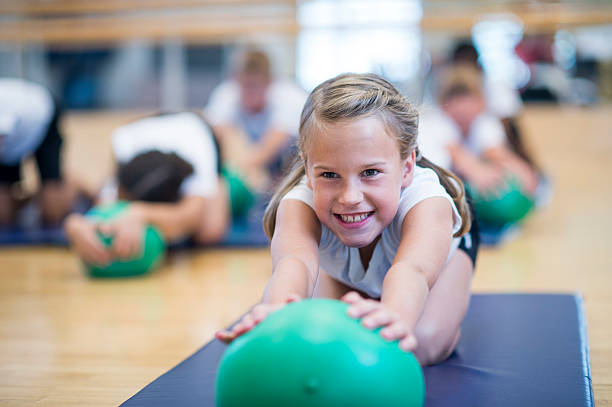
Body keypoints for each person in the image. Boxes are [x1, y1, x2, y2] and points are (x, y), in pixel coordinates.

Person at [217, 73, 480, 366]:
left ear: (407, 168)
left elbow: (413, 271)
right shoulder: (298, 205)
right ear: (307, 169)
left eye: (370, 173)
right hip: (352, 262)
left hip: (440, 255)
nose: (349, 197)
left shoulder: (428, 203)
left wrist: (394, 317)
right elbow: (294, 265)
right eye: (329, 175)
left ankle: (442, 327)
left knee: (415, 345)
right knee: (326, 344)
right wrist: (276, 313)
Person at [64, 112, 230, 266]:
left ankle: (226, 176)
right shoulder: (123, 143)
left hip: (199, 128)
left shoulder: (196, 153)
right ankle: (79, 185)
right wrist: (78, 224)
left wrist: (141, 213)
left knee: (210, 230)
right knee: (105, 201)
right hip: (143, 127)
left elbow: (189, 216)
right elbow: (106, 208)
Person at [420, 64, 540, 198]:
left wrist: (521, 171)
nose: (462, 108)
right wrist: (478, 171)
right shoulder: (438, 123)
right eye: (455, 100)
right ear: (443, 103)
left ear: (481, 101)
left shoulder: (485, 123)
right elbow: (457, 155)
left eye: (468, 99)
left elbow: (497, 152)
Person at [203, 48, 308, 187]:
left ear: (269, 82)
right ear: (236, 80)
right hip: (247, 162)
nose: (248, 92)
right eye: (244, 85)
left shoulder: (289, 97)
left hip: (288, 162)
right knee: (229, 136)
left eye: (254, 86)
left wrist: (242, 167)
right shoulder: (227, 93)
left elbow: (266, 150)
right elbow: (217, 135)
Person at [0, 78, 76, 226]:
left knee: (53, 212)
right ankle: (35, 196)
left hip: (42, 118)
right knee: (4, 215)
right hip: (11, 143)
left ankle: (74, 184)